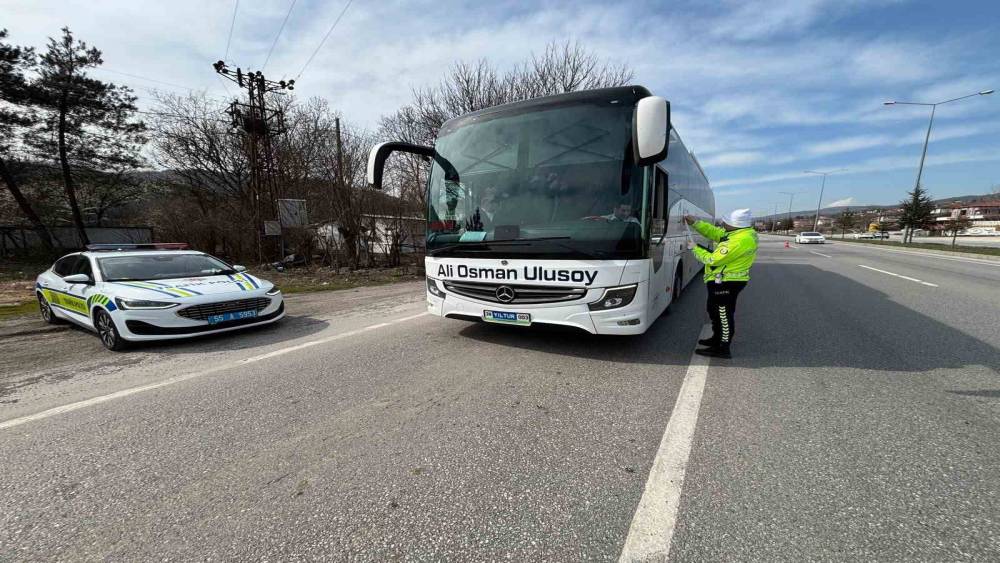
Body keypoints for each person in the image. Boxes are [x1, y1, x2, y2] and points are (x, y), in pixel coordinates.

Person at [683, 209, 759, 359]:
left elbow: (713, 259)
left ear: (735, 225)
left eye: (726, 222)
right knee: (713, 310)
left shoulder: (740, 240)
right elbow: (715, 233)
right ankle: (716, 338)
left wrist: (695, 248)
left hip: (727, 282)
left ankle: (723, 348)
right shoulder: (737, 233)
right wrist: (695, 223)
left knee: (723, 315)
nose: (723, 223)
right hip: (722, 279)